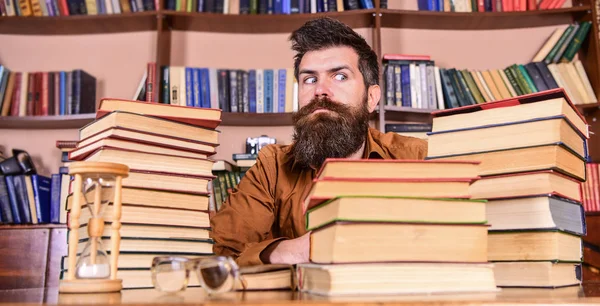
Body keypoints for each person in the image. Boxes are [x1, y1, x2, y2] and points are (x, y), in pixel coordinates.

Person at [210, 17, 428, 266]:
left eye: (340, 76)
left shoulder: (418, 158)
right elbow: (221, 256)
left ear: (371, 98)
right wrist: (291, 251)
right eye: (310, 79)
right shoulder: (272, 167)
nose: (320, 90)